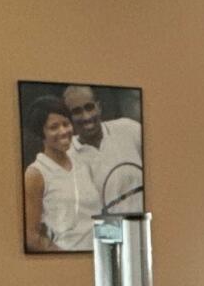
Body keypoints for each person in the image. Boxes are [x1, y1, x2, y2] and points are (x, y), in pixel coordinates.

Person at [62, 85, 144, 219]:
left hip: (146, 228)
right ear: (68, 118)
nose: (86, 117)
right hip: (105, 233)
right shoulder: (66, 156)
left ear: (98, 107)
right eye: (77, 111)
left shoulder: (129, 129)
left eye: (89, 107)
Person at [23, 97, 91, 253]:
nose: (63, 131)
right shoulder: (36, 174)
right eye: (54, 127)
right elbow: (31, 236)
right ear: (41, 134)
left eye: (66, 124)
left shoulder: (84, 161)